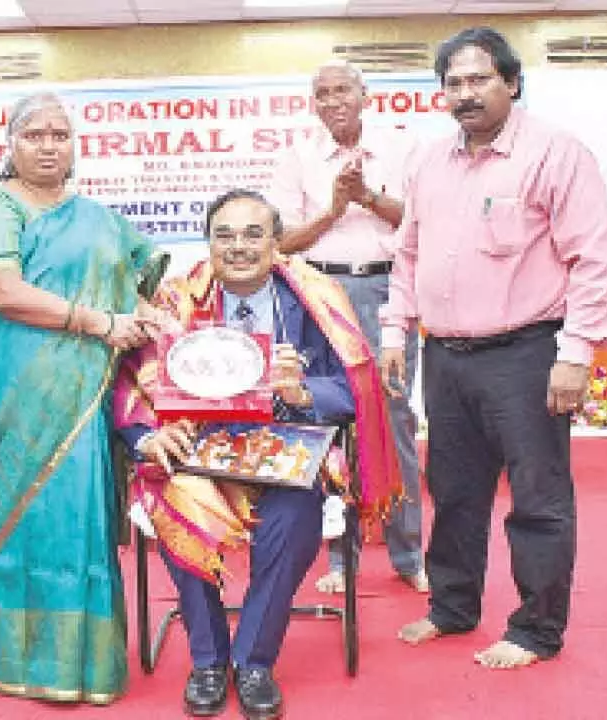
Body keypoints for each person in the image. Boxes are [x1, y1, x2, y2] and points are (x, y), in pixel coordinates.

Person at [383, 27, 607, 669]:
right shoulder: (427, 161)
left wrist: (576, 353)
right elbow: (407, 253)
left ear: (512, 83)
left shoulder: (555, 153)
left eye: (478, 79)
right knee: (453, 490)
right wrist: (393, 328)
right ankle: (453, 607)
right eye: (453, 83)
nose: (464, 94)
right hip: (445, 357)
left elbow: (595, 259)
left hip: (528, 355)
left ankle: (536, 629)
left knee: (537, 495)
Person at [114, 189, 401, 719]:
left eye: (253, 234)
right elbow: (130, 380)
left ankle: (253, 661)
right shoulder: (176, 301)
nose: (238, 247)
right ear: (208, 242)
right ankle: (207, 660)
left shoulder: (315, 298)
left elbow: (353, 387)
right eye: (224, 235)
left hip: (287, 449)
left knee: (292, 522)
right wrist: (146, 437)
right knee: (177, 500)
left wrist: (302, 394)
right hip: (198, 450)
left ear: (276, 243)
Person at [0, 92, 168, 704]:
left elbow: (143, 273)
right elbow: (3, 290)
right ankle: (14, 654)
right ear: (10, 146)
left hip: (84, 395)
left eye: (60, 135)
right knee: (19, 519)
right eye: (34, 135)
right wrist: (98, 322)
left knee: (75, 516)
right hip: (12, 387)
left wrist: (146, 313)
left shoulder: (98, 216)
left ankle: (80, 664)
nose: (49, 145)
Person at [267, 59, 427, 596]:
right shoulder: (298, 158)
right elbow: (282, 243)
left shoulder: (402, 148)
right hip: (320, 298)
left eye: (343, 91)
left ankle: (409, 554)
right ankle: (341, 558)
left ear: (365, 95)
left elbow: (423, 221)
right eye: (322, 93)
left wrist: (369, 199)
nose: (333, 101)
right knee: (330, 419)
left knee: (394, 418)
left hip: (386, 294)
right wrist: (336, 208)